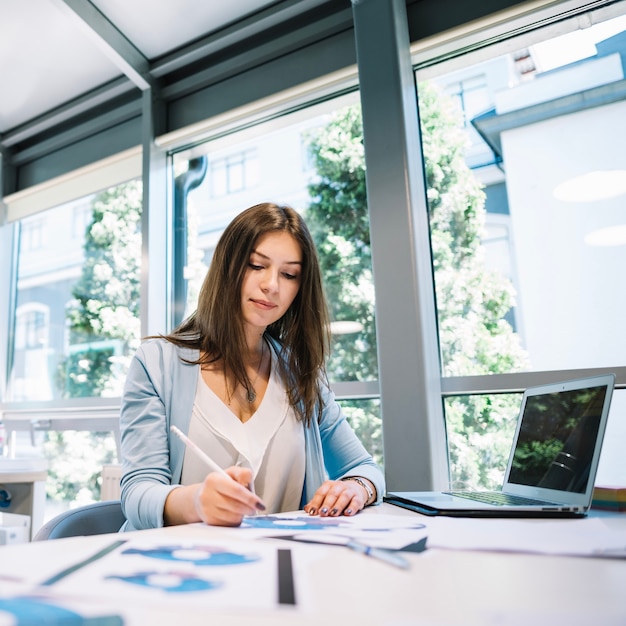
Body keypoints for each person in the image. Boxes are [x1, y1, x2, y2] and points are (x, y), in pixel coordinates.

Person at [119, 202, 384, 530]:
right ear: (226, 267)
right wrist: (198, 501)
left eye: (289, 274)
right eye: (257, 265)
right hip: (180, 568)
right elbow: (137, 492)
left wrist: (356, 488)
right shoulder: (156, 364)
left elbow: (364, 468)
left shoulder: (302, 375)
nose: (272, 285)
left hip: (279, 566)